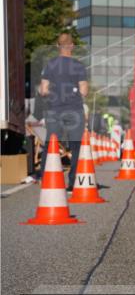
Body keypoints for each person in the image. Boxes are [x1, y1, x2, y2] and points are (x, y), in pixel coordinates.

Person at [38, 33, 88, 190]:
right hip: (74, 109)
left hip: (55, 110)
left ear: (58, 46)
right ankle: (73, 182)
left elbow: (43, 90)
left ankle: (46, 180)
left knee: (51, 144)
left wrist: (53, 91)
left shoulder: (50, 64)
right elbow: (84, 91)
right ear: (72, 46)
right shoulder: (79, 65)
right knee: (76, 146)